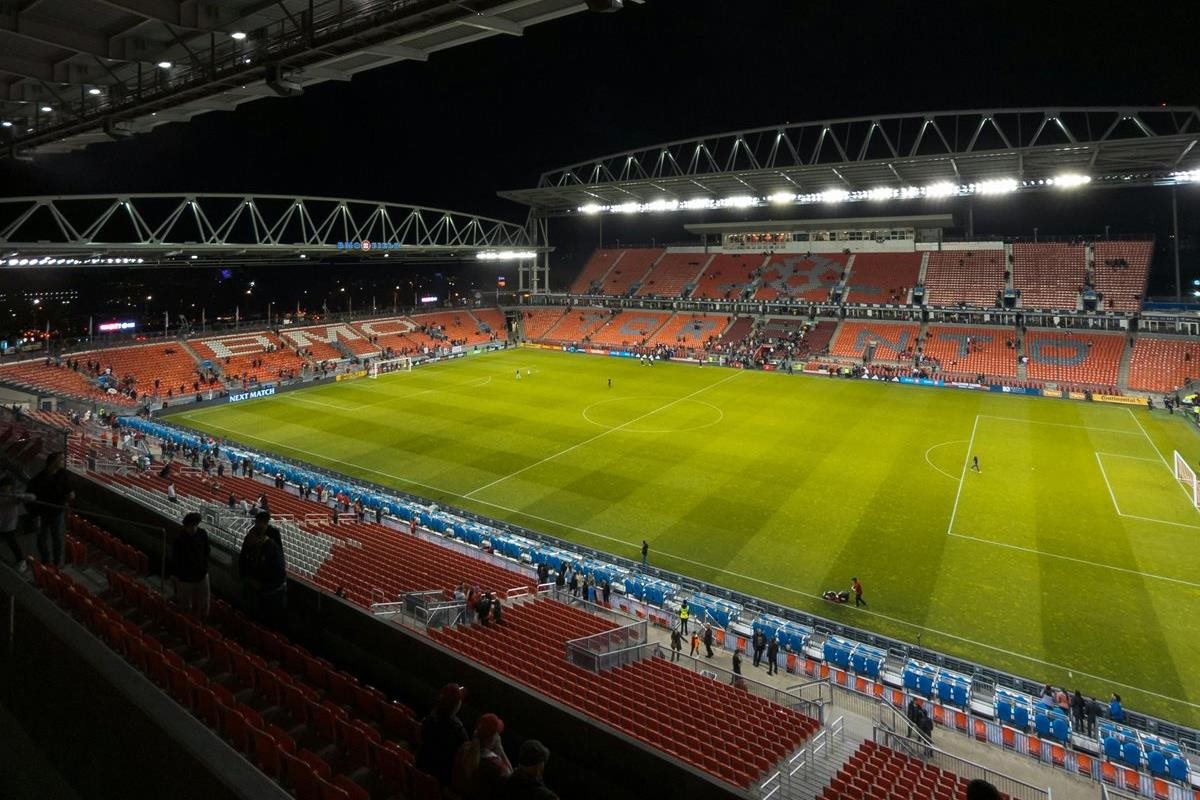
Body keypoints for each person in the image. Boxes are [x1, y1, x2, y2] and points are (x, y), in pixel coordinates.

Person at [237, 511, 287, 627]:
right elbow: (243, 558)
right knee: (260, 619)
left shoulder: (271, 537)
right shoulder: (255, 537)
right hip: (264, 589)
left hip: (266, 587)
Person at [452, 712, 511, 799]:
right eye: (497, 734)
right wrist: (501, 751)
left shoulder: (464, 748)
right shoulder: (495, 766)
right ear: (492, 739)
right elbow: (510, 779)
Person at [418, 683, 469, 785]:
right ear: (456, 706)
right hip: (440, 778)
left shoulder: (429, 719)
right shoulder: (457, 730)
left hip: (420, 767)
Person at [29, 452, 73, 567]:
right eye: (61, 459)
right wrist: (35, 515)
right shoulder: (38, 479)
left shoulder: (63, 474)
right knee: (42, 539)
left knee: (57, 539)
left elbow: (69, 491)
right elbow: (31, 498)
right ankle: (46, 562)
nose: (64, 461)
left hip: (57, 513)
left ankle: (56, 563)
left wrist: (69, 496)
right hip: (42, 514)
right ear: (53, 462)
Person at [171, 512, 211, 617]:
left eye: (194, 525)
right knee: (185, 605)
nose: (193, 528)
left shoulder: (202, 533)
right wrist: (177, 575)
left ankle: (201, 620)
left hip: (201, 575)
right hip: (185, 578)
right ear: (185, 526)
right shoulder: (179, 539)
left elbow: (207, 551)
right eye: (190, 526)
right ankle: (187, 623)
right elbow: (176, 559)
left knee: (203, 603)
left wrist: (204, 568)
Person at [0, 473, 35, 572]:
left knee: (12, 542)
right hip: (2, 521)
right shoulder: (3, 495)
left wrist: (21, 497)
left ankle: (21, 561)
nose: (5, 488)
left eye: (7, 486)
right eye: (4, 486)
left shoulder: (15, 495)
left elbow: (32, 497)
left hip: (9, 524)